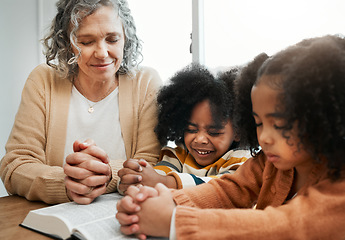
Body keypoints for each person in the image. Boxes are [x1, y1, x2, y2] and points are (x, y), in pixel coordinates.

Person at [115, 34, 345, 240]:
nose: (264, 137)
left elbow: (287, 225)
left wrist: (173, 222)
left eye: (280, 124)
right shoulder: (270, 164)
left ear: (324, 118)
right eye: (258, 123)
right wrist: (166, 202)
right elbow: (227, 190)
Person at [0, 0, 162, 205]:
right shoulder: (43, 80)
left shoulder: (146, 82)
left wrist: (107, 174)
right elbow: (15, 165)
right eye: (86, 42)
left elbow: (153, 164)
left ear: (126, 39)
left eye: (112, 39)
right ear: (67, 43)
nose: (102, 53)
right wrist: (66, 183)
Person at [117, 64, 250, 193]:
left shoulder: (241, 160)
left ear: (238, 131)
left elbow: (221, 187)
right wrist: (137, 177)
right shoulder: (178, 155)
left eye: (213, 132)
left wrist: (166, 182)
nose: (200, 139)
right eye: (191, 129)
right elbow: (158, 174)